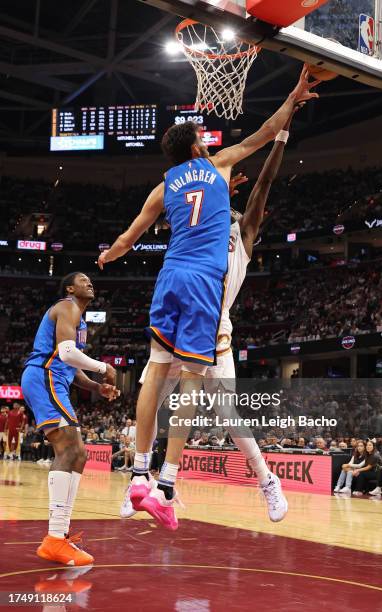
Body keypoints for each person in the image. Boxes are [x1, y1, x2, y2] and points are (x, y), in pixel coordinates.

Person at [99, 68, 319, 530]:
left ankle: (261, 481)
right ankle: (159, 482)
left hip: (189, 298)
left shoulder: (230, 226)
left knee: (218, 408)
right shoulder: (216, 173)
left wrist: (111, 254)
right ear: (199, 148)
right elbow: (258, 139)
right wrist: (289, 106)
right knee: (163, 389)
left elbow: (255, 195)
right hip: (199, 296)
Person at [21, 272, 119, 566]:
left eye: (91, 280)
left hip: (54, 378)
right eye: (83, 279)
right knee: (70, 450)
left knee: (78, 455)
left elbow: (71, 366)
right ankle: (54, 539)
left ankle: (59, 537)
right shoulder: (67, 306)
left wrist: (95, 386)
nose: (89, 283)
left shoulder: (79, 320)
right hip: (44, 376)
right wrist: (104, 368)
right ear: (69, 288)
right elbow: (65, 353)